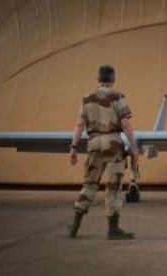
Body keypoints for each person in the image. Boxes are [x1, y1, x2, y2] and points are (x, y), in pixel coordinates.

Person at [68, 65, 139, 240]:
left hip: (93, 144)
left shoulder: (87, 98)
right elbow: (125, 124)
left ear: (98, 79)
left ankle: (74, 226)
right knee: (113, 187)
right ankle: (113, 229)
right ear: (113, 79)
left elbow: (79, 125)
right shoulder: (118, 96)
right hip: (113, 144)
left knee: (89, 184)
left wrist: (74, 147)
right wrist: (134, 147)